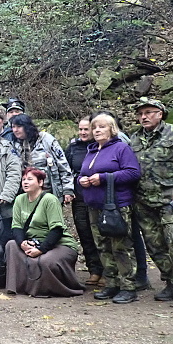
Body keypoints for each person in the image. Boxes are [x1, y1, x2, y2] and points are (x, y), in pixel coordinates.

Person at [129, 98, 173, 304]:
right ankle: (171, 283)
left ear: (160, 114)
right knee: (155, 246)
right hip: (143, 201)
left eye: (149, 112)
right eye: (141, 113)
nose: (144, 116)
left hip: (170, 199)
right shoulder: (134, 139)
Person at [78, 113, 142, 304]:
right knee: (103, 246)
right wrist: (80, 180)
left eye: (102, 127)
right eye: (94, 127)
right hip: (94, 206)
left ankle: (128, 286)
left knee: (121, 246)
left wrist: (104, 177)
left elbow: (133, 173)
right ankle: (112, 283)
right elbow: (82, 174)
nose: (97, 130)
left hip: (116, 206)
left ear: (112, 129)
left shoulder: (121, 148)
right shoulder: (91, 151)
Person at [5, 168, 84, 297]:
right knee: (11, 245)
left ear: (40, 182)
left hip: (59, 243)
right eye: (23, 179)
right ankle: (18, 287)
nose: (25, 182)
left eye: (30, 179)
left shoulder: (50, 200)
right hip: (33, 241)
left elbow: (57, 229)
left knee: (45, 261)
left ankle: (50, 289)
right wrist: (22, 243)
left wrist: (41, 249)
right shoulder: (19, 200)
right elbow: (17, 227)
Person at [65, 116, 103, 286]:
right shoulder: (73, 147)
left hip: (98, 197)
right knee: (85, 234)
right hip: (79, 197)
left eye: (86, 129)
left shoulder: (100, 147)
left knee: (101, 234)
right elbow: (65, 169)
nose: (82, 132)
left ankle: (108, 271)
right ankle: (94, 270)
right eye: (80, 129)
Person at [10, 114, 75, 204]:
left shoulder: (46, 140)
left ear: (27, 126)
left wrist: (68, 189)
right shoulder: (14, 145)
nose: (15, 130)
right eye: (13, 127)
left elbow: (62, 164)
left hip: (50, 192)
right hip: (26, 195)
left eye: (19, 126)